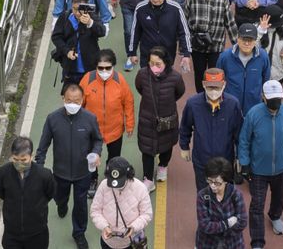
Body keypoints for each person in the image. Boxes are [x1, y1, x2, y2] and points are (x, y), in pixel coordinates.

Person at [238, 79, 283, 246]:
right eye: (272, 98)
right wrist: (244, 163)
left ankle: (275, 216)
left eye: (279, 98)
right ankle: (257, 241)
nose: (276, 101)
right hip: (258, 170)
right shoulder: (253, 114)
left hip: (282, 168)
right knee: (257, 206)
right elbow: (244, 140)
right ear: (263, 97)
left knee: (279, 198)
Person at [35, 84, 103, 249]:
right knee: (60, 196)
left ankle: (79, 233)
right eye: (69, 100)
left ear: (82, 100)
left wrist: (96, 152)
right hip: (60, 172)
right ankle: (61, 204)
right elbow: (43, 145)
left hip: (83, 173)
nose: (73, 103)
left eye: (77, 100)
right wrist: (39, 166)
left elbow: (98, 140)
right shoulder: (53, 119)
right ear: (63, 99)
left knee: (80, 204)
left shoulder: (90, 118)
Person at [80, 49, 135, 197]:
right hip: (91, 130)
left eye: (108, 68)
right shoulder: (87, 79)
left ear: (113, 66)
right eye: (101, 68)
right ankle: (93, 179)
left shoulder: (120, 81)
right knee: (91, 158)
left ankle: (110, 177)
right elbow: (79, 103)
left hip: (114, 129)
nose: (104, 71)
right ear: (96, 67)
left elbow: (128, 103)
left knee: (114, 158)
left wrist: (129, 124)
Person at [179, 68, 244, 189]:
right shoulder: (193, 104)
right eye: (210, 87)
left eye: (217, 87)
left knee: (226, 196)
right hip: (202, 161)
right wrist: (184, 147)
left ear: (224, 85)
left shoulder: (233, 104)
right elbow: (185, 127)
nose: (214, 91)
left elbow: (239, 133)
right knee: (204, 196)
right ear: (203, 84)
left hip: (225, 162)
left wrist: (240, 156)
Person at [135, 45, 186, 191]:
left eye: (158, 64)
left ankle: (163, 165)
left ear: (166, 63)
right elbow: (140, 88)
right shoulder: (142, 75)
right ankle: (148, 178)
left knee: (166, 145)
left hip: (167, 118)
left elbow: (179, 92)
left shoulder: (175, 77)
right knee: (147, 149)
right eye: (151, 63)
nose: (154, 67)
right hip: (147, 118)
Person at [0, 136, 56, 249]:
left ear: (31, 156)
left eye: (23, 160)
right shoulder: (2, 173)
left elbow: (50, 193)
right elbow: (1, 192)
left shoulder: (44, 175)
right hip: (11, 234)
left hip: (37, 234)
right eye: (15, 159)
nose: (19, 163)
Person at [185, 0, 239, 92]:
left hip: (216, 44)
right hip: (197, 45)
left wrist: (236, 43)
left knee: (215, 74)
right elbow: (185, 20)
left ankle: (215, 96)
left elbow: (229, 21)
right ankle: (201, 96)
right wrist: (185, 46)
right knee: (199, 74)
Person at [128, 0, 192, 70]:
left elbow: (184, 32)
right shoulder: (140, 8)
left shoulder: (175, 8)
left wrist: (186, 54)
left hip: (167, 56)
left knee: (166, 84)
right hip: (147, 57)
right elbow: (135, 32)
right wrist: (132, 52)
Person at [90, 156, 153, 249]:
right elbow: (95, 211)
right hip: (108, 242)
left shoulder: (140, 188)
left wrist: (134, 227)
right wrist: (104, 226)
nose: (115, 186)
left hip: (131, 242)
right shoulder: (104, 185)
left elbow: (147, 214)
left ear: (129, 175)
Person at [51, 0, 107, 89]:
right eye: (74, 8)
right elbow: (56, 37)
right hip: (70, 68)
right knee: (71, 97)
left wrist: (90, 23)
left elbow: (102, 31)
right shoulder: (64, 17)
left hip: (90, 69)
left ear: (86, 7)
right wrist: (66, 51)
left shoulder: (93, 17)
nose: (77, 12)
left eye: (79, 9)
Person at [217, 23, 271, 116]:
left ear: (255, 41)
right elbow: (218, 80)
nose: (246, 43)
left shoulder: (263, 56)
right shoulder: (225, 57)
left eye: (250, 40)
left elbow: (266, 80)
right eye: (244, 39)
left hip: (254, 107)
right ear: (238, 39)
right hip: (230, 106)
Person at [195, 157, 248, 249]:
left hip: (232, 244)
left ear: (226, 181)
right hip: (208, 244)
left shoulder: (236, 195)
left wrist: (216, 229)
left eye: (217, 183)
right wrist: (227, 224)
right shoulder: (202, 196)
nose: (212, 186)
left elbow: (242, 222)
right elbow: (204, 225)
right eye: (209, 181)